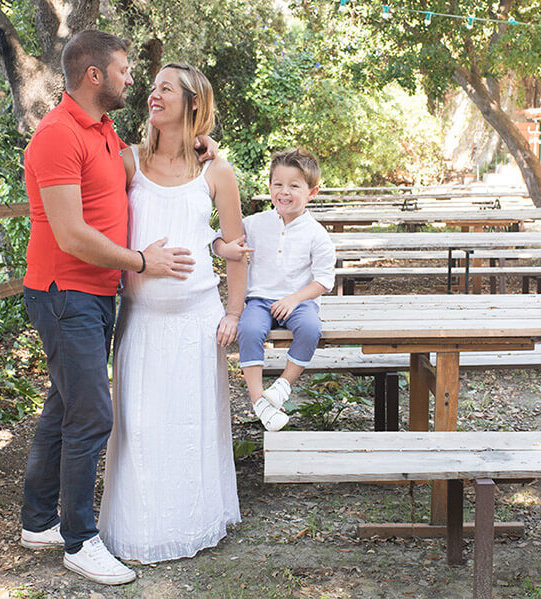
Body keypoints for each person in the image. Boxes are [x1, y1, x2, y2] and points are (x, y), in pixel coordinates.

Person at [19, 31, 216, 584]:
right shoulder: (57, 136)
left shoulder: (102, 130)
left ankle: (39, 520)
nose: (134, 80)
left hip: (96, 294)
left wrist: (204, 147)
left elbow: (154, 161)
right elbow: (71, 234)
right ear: (95, 76)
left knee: (65, 403)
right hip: (66, 293)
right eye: (127, 70)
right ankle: (80, 540)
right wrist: (139, 262)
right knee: (93, 414)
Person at [96, 62, 246, 564]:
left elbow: (238, 247)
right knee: (138, 426)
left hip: (197, 321)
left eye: (165, 89)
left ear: (191, 103)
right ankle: (137, 528)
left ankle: (195, 520)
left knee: (191, 425)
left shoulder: (216, 171)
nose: (153, 95)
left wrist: (235, 311)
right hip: (140, 319)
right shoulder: (129, 161)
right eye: (153, 87)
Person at [214, 148, 335, 431]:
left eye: (294, 186)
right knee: (249, 329)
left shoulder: (316, 233)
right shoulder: (255, 224)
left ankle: (283, 386)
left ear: (312, 192)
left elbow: (324, 280)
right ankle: (259, 400)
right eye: (278, 184)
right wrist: (224, 248)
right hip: (260, 299)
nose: (284, 191)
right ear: (269, 187)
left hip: (299, 300)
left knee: (310, 328)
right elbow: (219, 240)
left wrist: (295, 298)